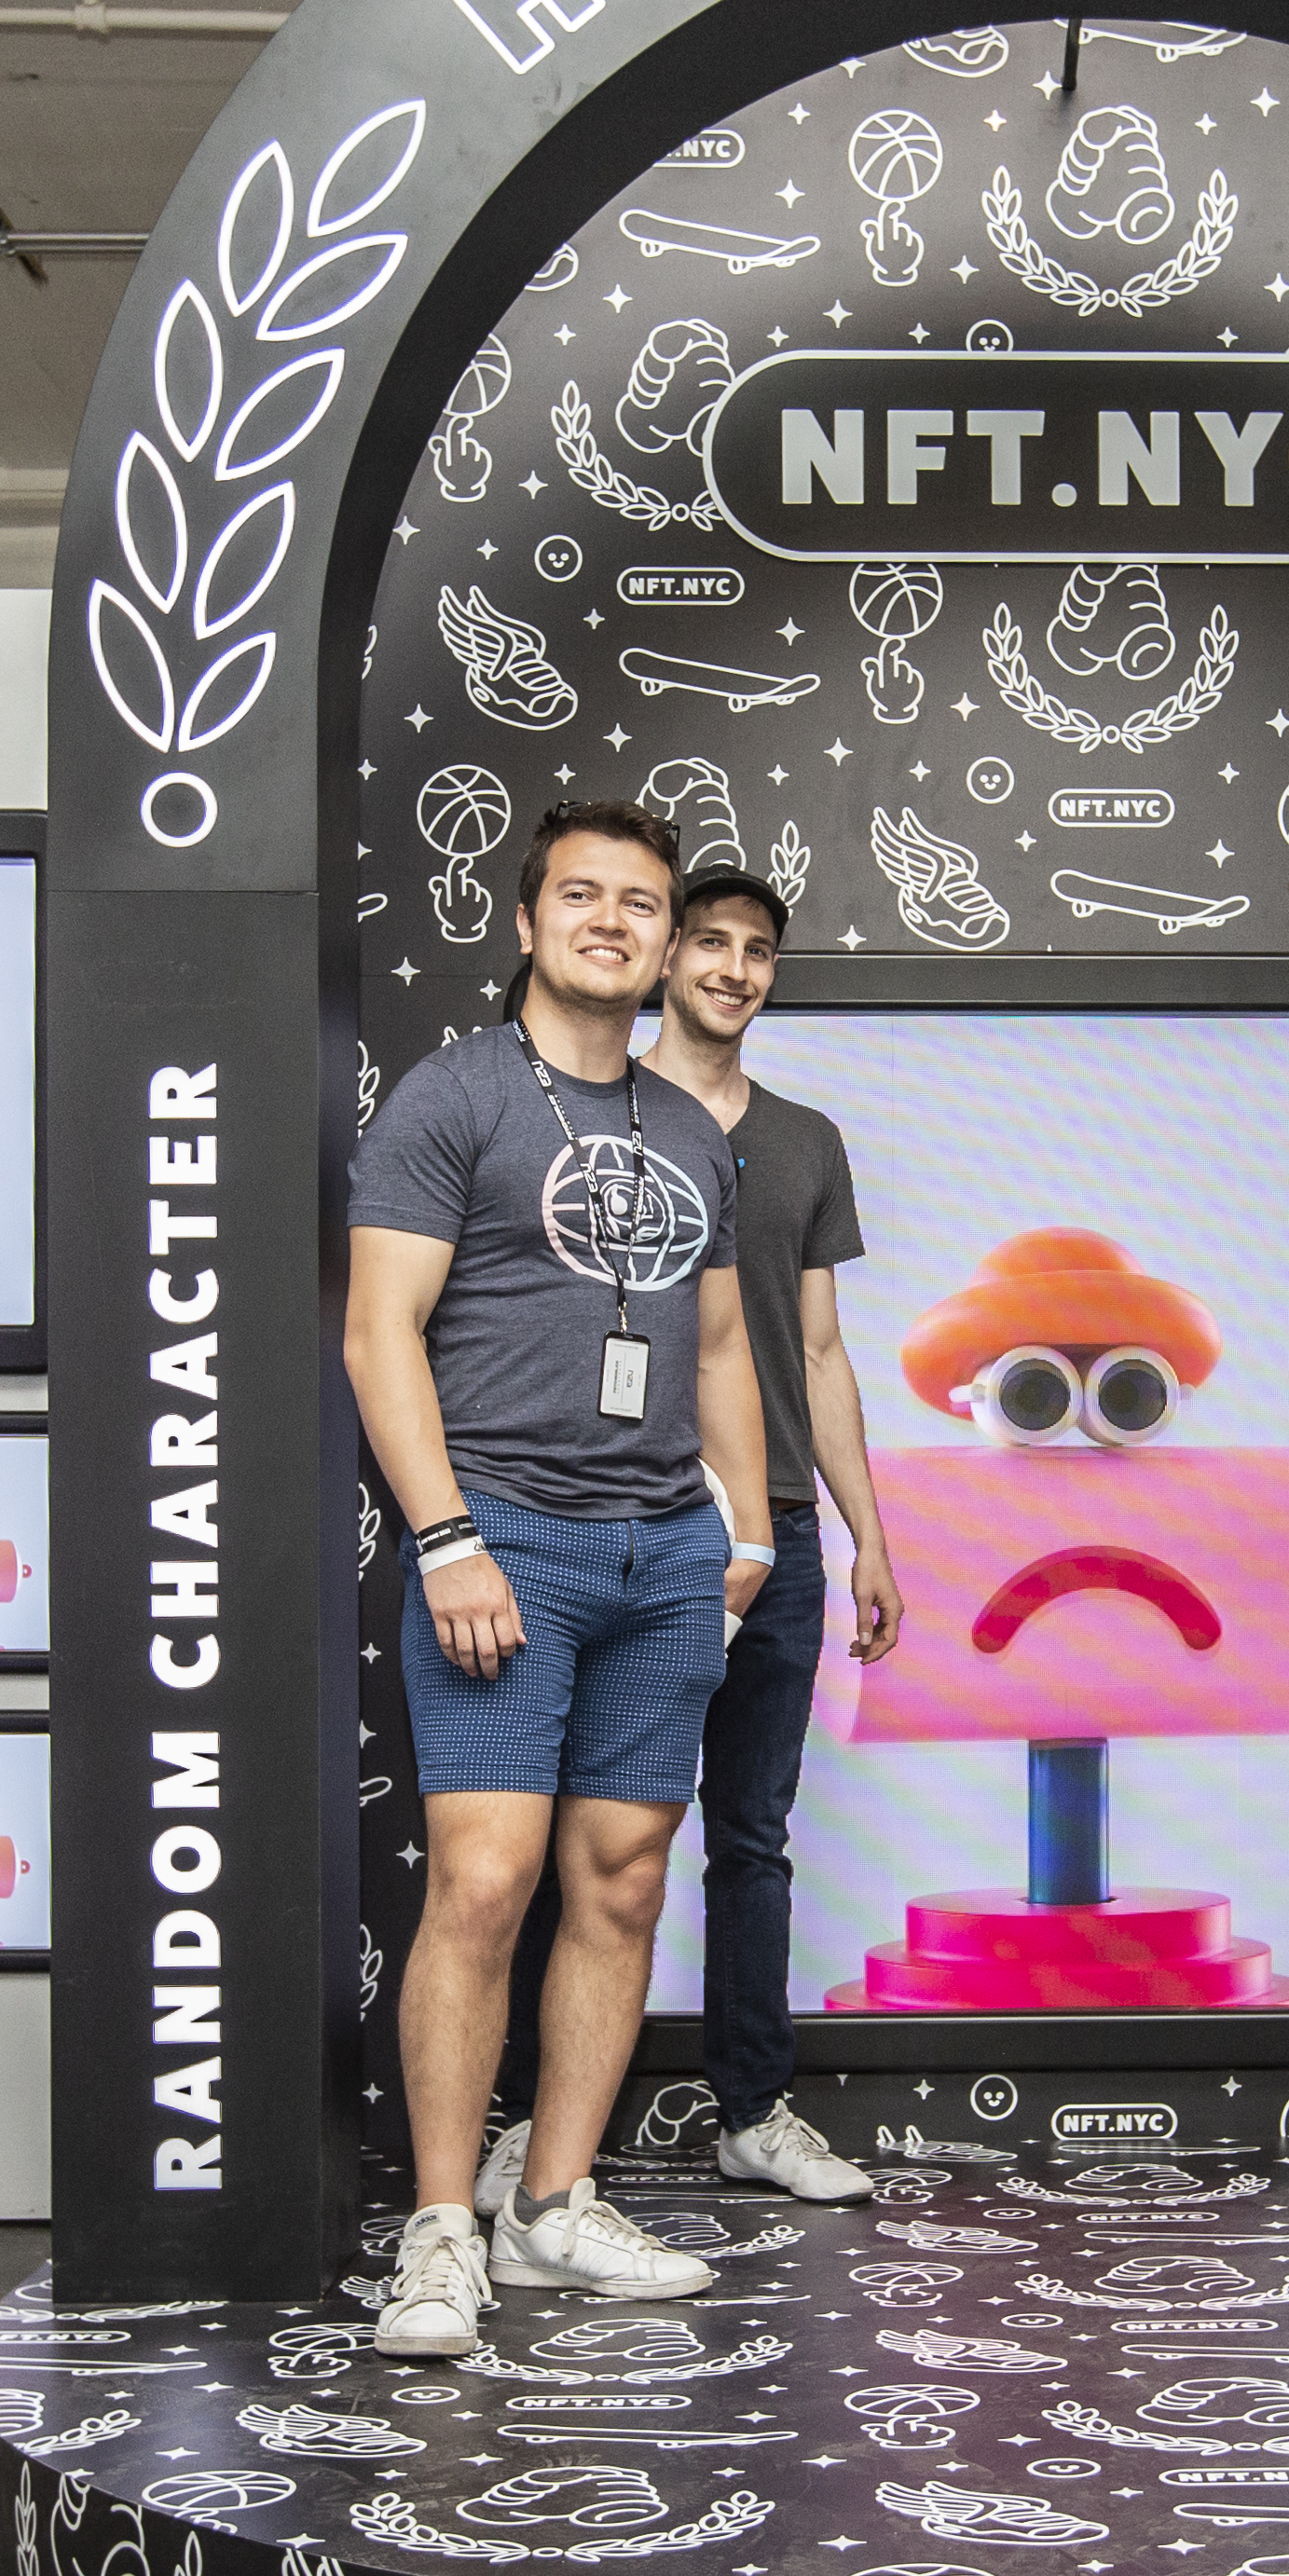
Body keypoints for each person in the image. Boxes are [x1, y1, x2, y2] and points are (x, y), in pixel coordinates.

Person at [345, 799, 775, 2358]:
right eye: (581, 896)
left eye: (642, 903)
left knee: (626, 1879)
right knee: (481, 1885)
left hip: (664, 1549)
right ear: (525, 925)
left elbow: (718, 1343)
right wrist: (447, 1535)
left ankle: (559, 2202)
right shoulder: (451, 1099)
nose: (615, 920)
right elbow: (375, 1329)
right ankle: (444, 2229)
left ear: (668, 944)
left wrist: (750, 1535)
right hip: (505, 1534)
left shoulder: (689, 1130)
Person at [478, 862, 906, 2212]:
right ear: (663, 956)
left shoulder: (804, 1139)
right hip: (615, 1518)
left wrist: (868, 1536)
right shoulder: (588, 1116)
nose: (730, 965)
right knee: (559, 1832)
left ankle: (754, 2108)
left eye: (755, 949)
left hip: (768, 1524)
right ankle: (532, 2126)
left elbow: (820, 1351)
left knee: (754, 1834)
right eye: (708, 939)